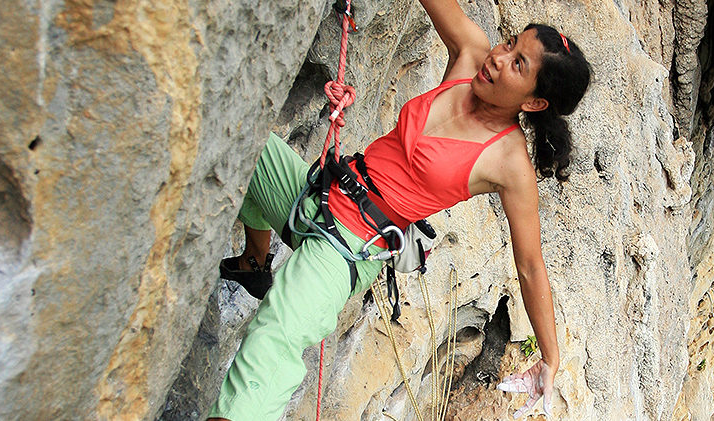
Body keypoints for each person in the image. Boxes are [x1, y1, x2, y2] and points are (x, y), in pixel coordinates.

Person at [207, 0, 592, 419]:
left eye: (518, 64)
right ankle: (255, 259)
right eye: (509, 43)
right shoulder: (470, 54)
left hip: (346, 248)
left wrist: (550, 356)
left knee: (273, 338)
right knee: (244, 140)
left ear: (534, 103)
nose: (498, 58)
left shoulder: (508, 162)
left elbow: (531, 265)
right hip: (320, 191)